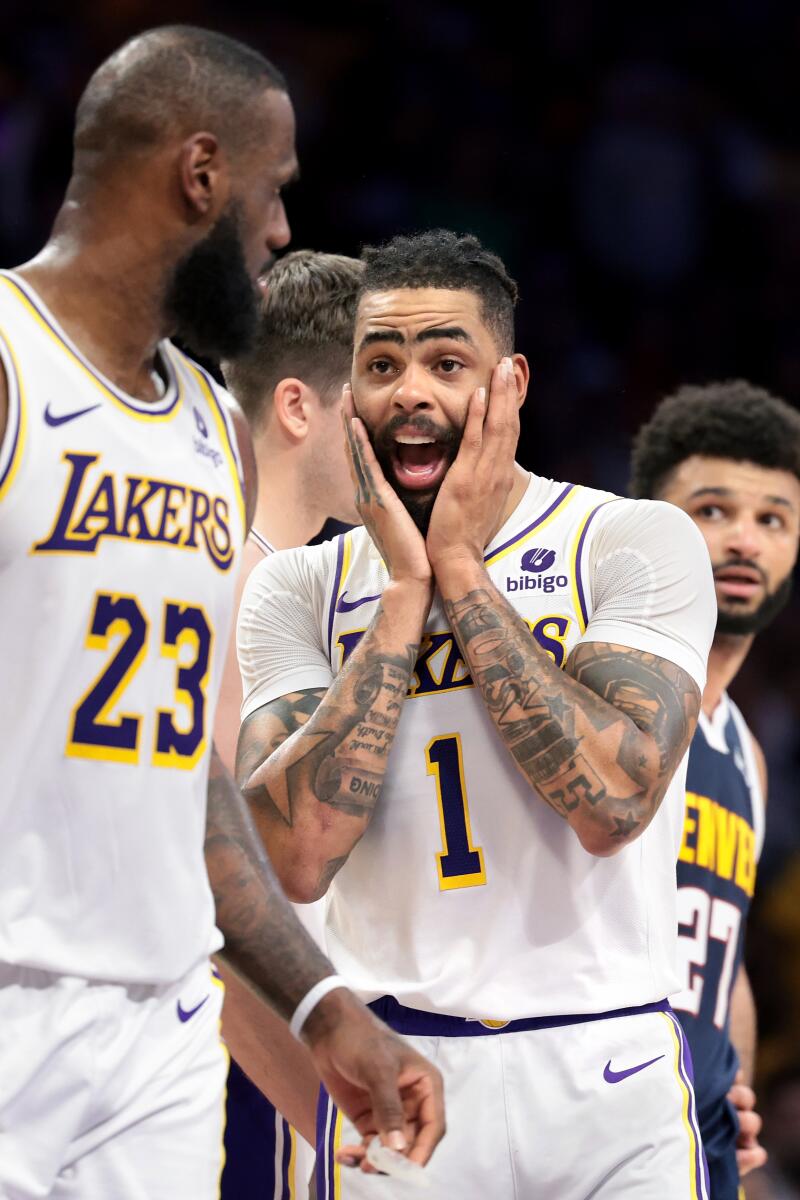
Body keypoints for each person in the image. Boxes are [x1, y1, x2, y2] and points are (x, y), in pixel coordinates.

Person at [0, 28, 443, 1200]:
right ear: (201, 175)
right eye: (272, 191)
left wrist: (318, 1000)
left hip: (157, 1026)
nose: (279, 231)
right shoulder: (8, 359)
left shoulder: (206, 424)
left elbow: (190, 779)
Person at [236, 228, 717, 1198]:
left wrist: (458, 568)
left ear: (510, 385)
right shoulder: (294, 588)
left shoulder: (628, 541)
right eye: (379, 364)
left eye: (445, 361)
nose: (409, 391)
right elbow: (293, 855)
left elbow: (609, 803)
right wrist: (406, 595)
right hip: (394, 1075)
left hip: (605, 1067)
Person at [214, 249, 363, 1200]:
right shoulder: (234, 580)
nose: (407, 425)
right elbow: (212, 907)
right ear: (300, 407)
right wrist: (331, 1113)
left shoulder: (315, 588)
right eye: (377, 390)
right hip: (239, 1075)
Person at [630, 381, 800, 1198]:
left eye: (772, 519)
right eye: (712, 510)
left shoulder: (746, 749)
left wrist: (734, 1079)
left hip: (693, 1126)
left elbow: (723, 958)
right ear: (649, 526)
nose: (744, 540)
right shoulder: (593, 692)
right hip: (585, 1104)